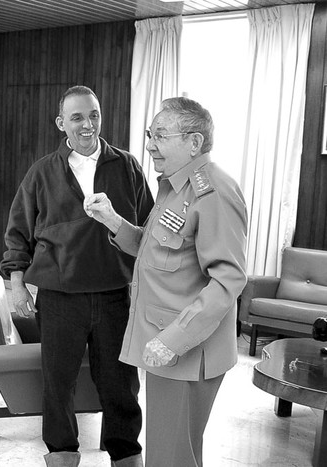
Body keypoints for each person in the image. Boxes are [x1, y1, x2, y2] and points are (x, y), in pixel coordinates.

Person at [84, 97, 247, 467]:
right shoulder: (175, 186)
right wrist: (114, 222)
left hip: (186, 349)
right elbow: (157, 249)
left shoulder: (213, 191)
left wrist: (173, 340)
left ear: (193, 142)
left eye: (160, 135)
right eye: (149, 134)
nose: (150, 144)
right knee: (172, 453)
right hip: (167, 345)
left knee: (170, 458)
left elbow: (228, 280)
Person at [1, 86, 153, 467]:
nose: (88, 124)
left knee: (121, 383)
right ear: (61, 124)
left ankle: (126, 454)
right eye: (77, 117)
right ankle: (63, 454)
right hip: (59, 297)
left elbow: (149, 230)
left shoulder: (128, 166)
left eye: (94, 115)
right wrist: (17, 284)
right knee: (57, 383)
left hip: (114, 294)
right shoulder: (41, 171)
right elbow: (18, 232)